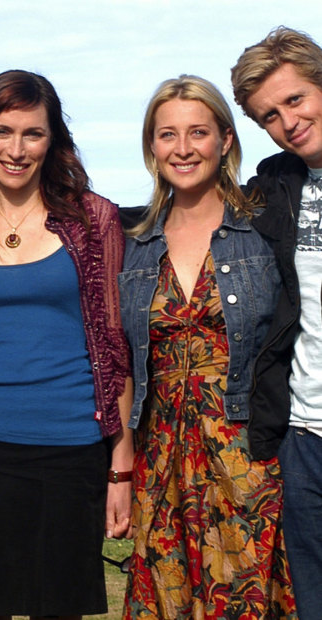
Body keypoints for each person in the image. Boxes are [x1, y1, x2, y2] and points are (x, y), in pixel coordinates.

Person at [0, 69, 133, 620]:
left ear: (54, 141)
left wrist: (120, 467)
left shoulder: (93, 219)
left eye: (33, 134)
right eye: (3, 131)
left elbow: (115, 347)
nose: (16, 150)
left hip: (71, 452)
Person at [117, 75, 296, 619]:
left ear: (225, 138)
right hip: (159, 456)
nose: (184, 148)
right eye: (168, 134)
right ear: (152, 145)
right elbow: (121, 361)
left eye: (198, 132)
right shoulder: (130, 239)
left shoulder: (267, 221)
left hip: (250, 452)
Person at [231, 26, 322, 620]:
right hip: (307, 434)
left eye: (295, 100)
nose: (287, 121)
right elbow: (189, 205)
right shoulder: (278, 188)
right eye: (269, 114)